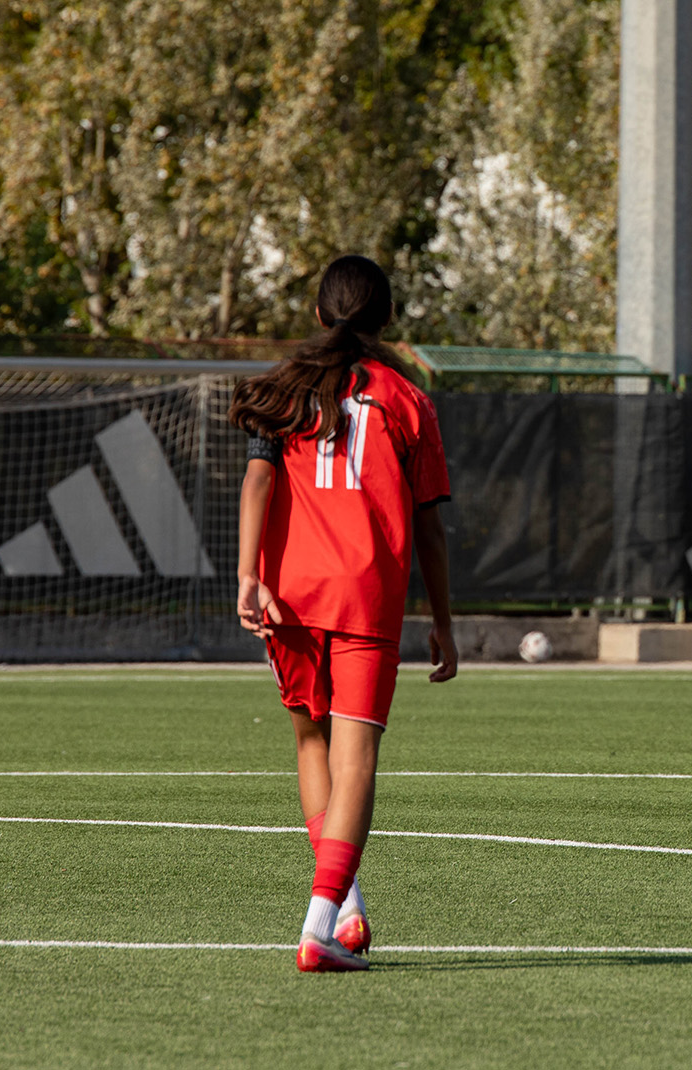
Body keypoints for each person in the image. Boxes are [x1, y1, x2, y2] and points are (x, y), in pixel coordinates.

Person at [229, 254, 457, 972]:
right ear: (386, 320)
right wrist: (444, 620)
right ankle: (320, 921)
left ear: (319, 314)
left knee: (310, 744)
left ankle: (347, 905)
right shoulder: (406, 399)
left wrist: (245, 575)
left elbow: (259, 475)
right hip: (366, 594)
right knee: (356, 755)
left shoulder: (289, 388)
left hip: (288, 591)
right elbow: (427, 526)